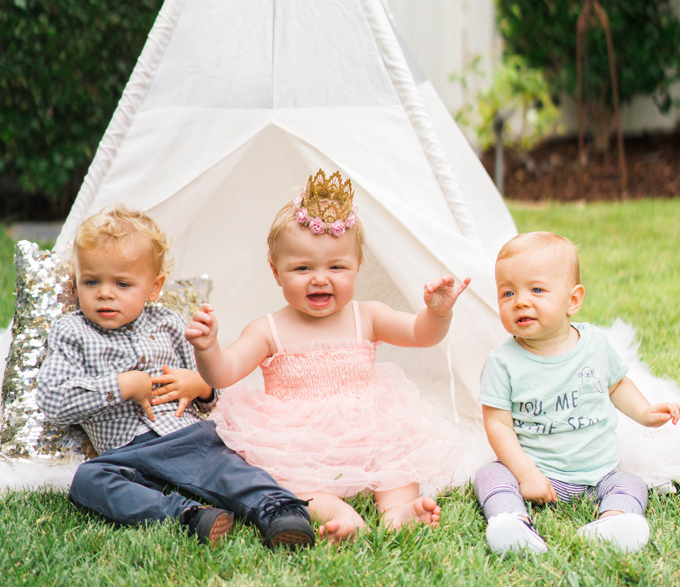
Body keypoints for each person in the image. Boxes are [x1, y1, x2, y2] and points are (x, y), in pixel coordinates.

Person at [185, 168, 470, 543]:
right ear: (276, 272)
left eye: (336, 267)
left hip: (367, 426)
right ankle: (338, 513)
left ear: (357, 267)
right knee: (288, 479)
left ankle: (399, 509)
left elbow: (421, 334)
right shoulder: (267, 329)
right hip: (296, 437)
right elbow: (224, 373)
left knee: (395, 460)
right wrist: (208, 349)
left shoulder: (366, 316)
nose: (320, 278)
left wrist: (438, 312)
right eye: (302, 268)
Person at [37, 207, 315, 549]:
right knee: (89, 481)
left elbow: (210, 386)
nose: (105, 293)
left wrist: (201, 386)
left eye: (122, 283)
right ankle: (189, 515)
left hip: (184, 437)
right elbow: (53, 400)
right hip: (124, 453)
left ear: (154, 288)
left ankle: (281, 513)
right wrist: (121, 386)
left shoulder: (168, 323)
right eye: (91, 281)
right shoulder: (70, 331)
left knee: (230, 470)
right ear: (76, 281)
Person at [475, 230, 680, 556]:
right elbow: (497, 424)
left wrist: (644, 412)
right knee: (489, 474)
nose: (521, 301)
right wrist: (527, 474)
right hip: (536, 470)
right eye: (507, 293)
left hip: (598, 474)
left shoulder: (595, 344)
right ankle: (511, 522)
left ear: (573, 300)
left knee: (631, 484)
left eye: (536, 289)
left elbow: (617, 385)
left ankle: (612, 522)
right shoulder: (503, 362)